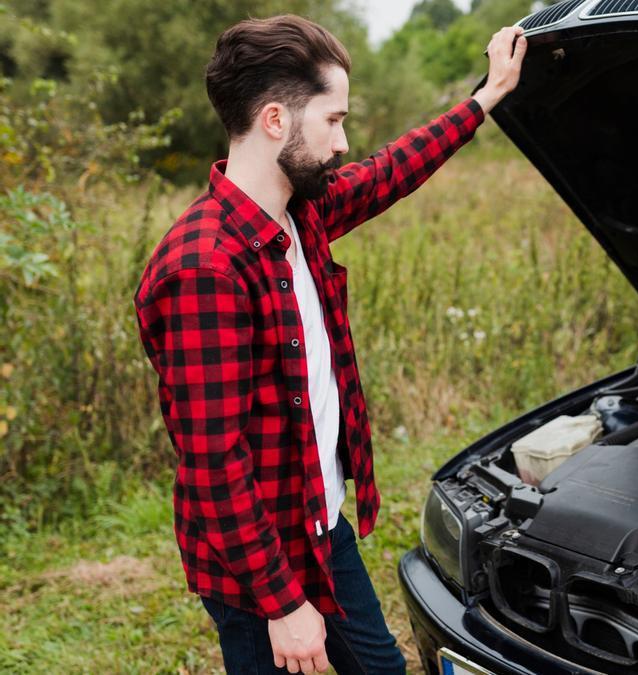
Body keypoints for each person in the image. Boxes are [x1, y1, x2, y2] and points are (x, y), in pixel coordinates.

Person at [133, 14, 526, 674]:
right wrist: (284, 606)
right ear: (277, 121)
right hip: (254, 562)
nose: (344, 142)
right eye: (333, 120)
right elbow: (214, 462)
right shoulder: (206, 266)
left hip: (319, 522)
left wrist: (484, 97)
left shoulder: (297, 212)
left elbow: (390, 171)